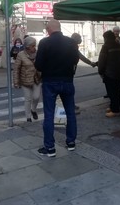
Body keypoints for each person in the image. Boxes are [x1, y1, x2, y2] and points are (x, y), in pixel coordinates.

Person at [35, 19, 79, 157]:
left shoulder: (44, 42)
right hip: (67, 81)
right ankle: (71, 143)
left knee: (49, 114)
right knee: (70, 112)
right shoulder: (71, 42)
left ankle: (50, 148)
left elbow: (39, 65)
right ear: (59, 28)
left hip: (50, 82)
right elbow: (76, 60)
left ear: (49, 29)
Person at [98, 30, 120, 117]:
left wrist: (101, 71)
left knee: (111, 92)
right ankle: (114, 106)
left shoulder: (106, 46)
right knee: (117, 91)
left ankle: (115, 110)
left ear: (106, 38)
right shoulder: (119, 45)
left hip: (110, 73)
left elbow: (102, 60)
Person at [13, 36, 41, 122]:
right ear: (28, 46)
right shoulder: (21, 55)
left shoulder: (38, 53)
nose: (34, 47)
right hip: (25, 80)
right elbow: (16, 69)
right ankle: (28, 117)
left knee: (36, 97)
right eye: (33, 46)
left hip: (36, 79)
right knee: (28, 99)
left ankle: (33, 110)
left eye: (35, 45)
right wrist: (16, 82)